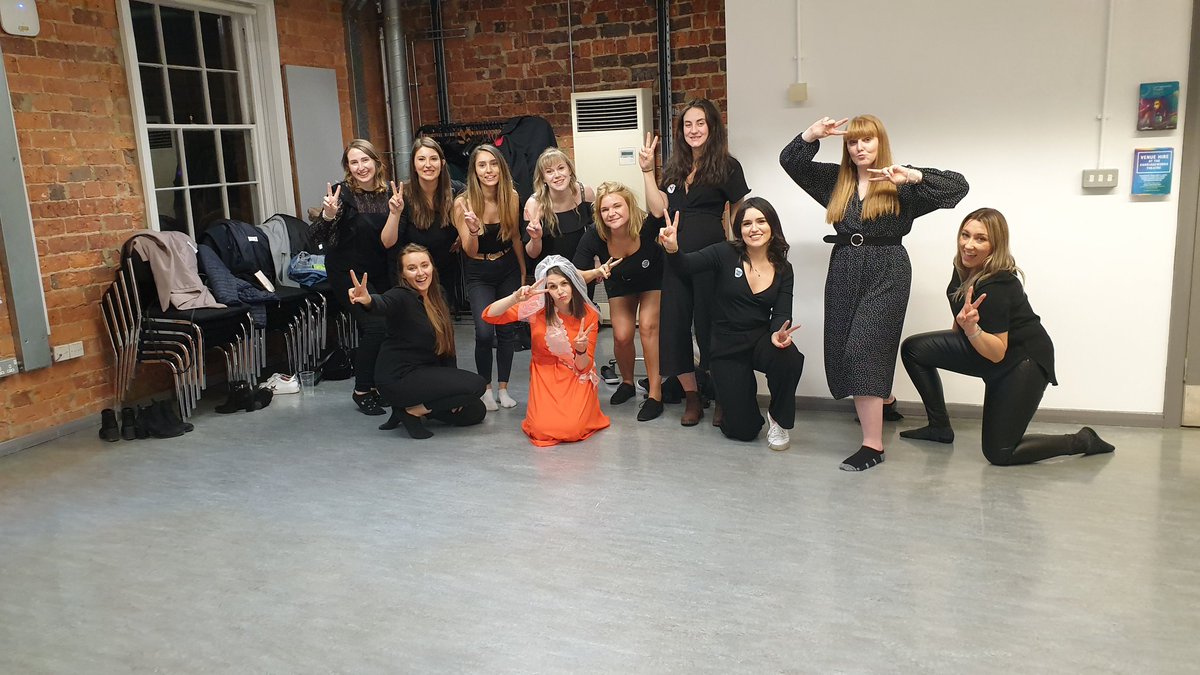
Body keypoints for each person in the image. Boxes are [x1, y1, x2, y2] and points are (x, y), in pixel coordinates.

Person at [779, 114, 969, 471]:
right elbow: (790, 161)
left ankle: (873, 445)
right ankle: (885, 399)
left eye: (867, 140)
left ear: (880, 143)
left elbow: (958, 187)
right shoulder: (835, 181)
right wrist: (812, 134)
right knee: (843, 343)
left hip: (888, 269)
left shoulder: (901, 181)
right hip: (845, 266)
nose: (859, 147)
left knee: (865, 347)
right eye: (852, 141)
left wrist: (912, 175)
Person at [899, 208, 1114, 465]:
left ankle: (1082, 440)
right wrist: (962, 329)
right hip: (984, 348)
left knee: (1000, 453)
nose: (968, 245)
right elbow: (963, 315)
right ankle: (939, 427)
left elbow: (998, 351)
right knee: (914, 349)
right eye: (965, 235)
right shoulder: (963, 266)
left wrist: (971, 330)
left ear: (995, 245)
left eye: (980, 239)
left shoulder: (999, 284)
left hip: (1021, 362)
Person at [659, 198, 805, 450]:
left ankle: (778, 419)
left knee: (789, 356)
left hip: (760, 339)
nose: (754, 228)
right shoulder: (724, 253)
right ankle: (738, 405)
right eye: (747, 223)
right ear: (739, 229)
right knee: (743, 431)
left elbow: (781, 312)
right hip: (726, 345)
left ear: (772, 226)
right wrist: (672, 248)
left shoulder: (784, 268)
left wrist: (777, 334)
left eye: (761, 221)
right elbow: (686, 265)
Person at [641, 99, 750, 427]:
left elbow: (739, 212)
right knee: (674, 328)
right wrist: (647, 172)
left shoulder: (728, 166)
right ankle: (691, 397)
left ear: (712, 127)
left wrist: (738, 255)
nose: (694, 130)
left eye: (700, 123)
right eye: (688, 125)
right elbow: (656, 209)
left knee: (710, 328)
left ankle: (719, 395)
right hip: (674, 258)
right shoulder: (674, 168)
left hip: (711, 260)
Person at [347, 244, 488, 440]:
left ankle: (407, 408)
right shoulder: (400, 296)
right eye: (412, 268)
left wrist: (454, 387)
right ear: (403, 274)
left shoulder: (438, 294)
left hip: (423, 373)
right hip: (397, 378)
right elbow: (382, 304)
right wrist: (367, 300)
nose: (420, 273)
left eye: (424, 265)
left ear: (432, 267)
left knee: (475, 411)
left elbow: (447, 348)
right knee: (477, 385)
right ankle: (412, 411)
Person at [312, 139, 400, 416]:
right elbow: (318, 238)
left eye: (365, 160)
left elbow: (390, 240)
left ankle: (377, 384)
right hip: (347, 272)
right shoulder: (342, 195)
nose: (361, 167)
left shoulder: (389, 193)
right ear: (348, 167)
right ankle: (362, 389)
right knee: (375, 326)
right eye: (354, 162)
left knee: (388, 328)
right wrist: (327, 215)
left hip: (379, 270)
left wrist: (397, 213)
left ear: (376, 162)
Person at [484, 255, 610, 447]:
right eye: (552, 286)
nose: (560, 291)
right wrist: (514, 298)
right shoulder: (536, 307)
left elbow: (583, 368)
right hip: (544, 373)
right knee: (543, 430)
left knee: (572, 429)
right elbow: (489, 315)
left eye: (564, 284)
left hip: (575, 374)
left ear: (573, 284)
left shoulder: (589, 314)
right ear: (546, 290)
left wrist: (582, 351)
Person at [573, 181, 666, 421]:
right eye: (605, 209)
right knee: (622, 335)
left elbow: (660, 209)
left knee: (647, 328)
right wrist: (596, 273)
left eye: (617, 206)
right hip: (620, 282)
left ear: (629, 207)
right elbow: (574, 273)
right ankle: (627, 382)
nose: (611, 213)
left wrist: (647, 171)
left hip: (651, 278)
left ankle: (656, 394)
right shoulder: (595, 234)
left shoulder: (645, 225)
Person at [452, 144, 527, 412]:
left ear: (501, 167)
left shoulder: (512, 197)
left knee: (507, 330)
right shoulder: (463, 203)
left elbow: (516, 236)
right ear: (474, 170)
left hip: (507, 266)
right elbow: (470, 252)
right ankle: (485, 389)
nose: (488, 170)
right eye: (482, 165)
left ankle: (504, 389)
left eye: (493, 164)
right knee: (484, 332)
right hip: (478, 271)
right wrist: (474, 230)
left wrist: (522, 271)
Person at [382, 137, 464, 300]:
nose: (428, 165)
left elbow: (473, 219)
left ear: (442, 163)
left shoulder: (457, 190)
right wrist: (395, 213)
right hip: (410, 275)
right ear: (413, 164)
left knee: (442, 321)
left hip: (444, 271)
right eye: (421, 159)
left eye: (433, 159)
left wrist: (463, 235)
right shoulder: (401, 195)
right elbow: (387, 242)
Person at [523, 148, 595, 265]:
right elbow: (532, 254)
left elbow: (596, 233)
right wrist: (536, 239)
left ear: (570, 170)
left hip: (582, 266)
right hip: (551, 271)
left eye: (561, 168)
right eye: (549, 171)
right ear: (543, 178)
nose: (557, 175)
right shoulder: (534, 204)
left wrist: (596, 259)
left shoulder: (585, 193)